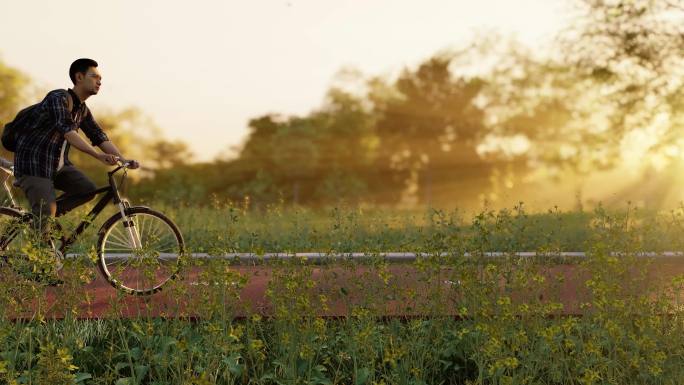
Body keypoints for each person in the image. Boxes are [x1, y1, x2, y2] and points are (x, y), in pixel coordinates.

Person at [13, 58, 139, 237]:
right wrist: (97, 156)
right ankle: (37, 257)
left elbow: (98, 136)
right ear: (79, 77)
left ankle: (41, 216)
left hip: (58, 165)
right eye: (94, 76)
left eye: (100, 78)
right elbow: (68, 132)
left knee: (86, 190)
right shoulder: (57, 98)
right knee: (46, 213)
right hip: (34, 165)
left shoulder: (83, 110)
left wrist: (123, 159)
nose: (99, 81)